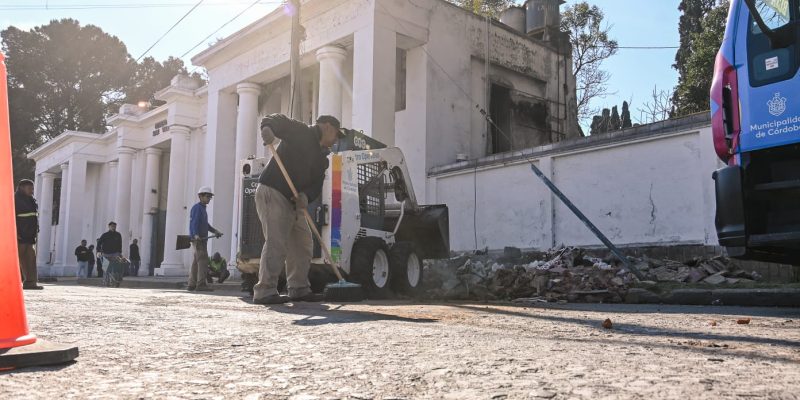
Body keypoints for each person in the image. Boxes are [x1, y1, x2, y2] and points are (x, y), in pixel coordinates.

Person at [253, 114, 345, 304]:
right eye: (336, 134)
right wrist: (268, 128)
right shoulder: (302, 132)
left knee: (303, 243)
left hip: (293, 200)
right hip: (274, 190)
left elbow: (316, 184)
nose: (336, 140)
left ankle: (299, 288)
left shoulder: (322, 159)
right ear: (327, 127)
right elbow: (277, 119)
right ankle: (265, 291)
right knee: (276, 241)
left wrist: (306, 196)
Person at [189, 186, 223, 292]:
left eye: (210, 197)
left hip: (202, 239)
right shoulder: (197, 208)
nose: (209, 198)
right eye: (207, 196)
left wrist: (215, 231)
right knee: (203, 261)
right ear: (200, 196)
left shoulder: (203, 209)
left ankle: (192, 284)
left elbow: (206, 225)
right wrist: (195, 235)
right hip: (198, 240)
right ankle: (201, 284)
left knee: (196, 262)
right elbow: (194, 222)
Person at [15, 179, 42, 290]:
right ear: (22, 187)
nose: (32, 190)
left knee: (30, 259)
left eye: (32, 188)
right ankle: (7, 281)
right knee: (15, 259)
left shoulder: (31, 200)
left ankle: (30, 283)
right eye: (30, 188)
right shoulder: (15, 199)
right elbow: (10, 216)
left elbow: (33, 216)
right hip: (20, 235)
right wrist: (15, 232)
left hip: (30, 236)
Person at [97, 222, 123, 286]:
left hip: (115, 254)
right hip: (106, 254)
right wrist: (98, 251)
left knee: (115, 269)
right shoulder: (105, 235)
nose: (113, 227)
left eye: (114, 226)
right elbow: (99, 243)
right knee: (106, 269)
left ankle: (115, 282)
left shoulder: (118, 235)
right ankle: (106, 282)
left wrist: (120, 253)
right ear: (109, 226)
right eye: (112, 226)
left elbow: (120, 244)